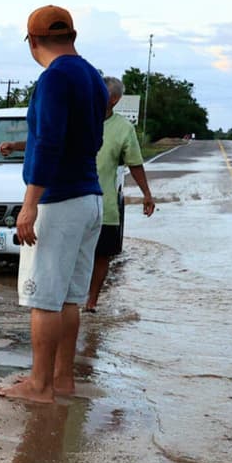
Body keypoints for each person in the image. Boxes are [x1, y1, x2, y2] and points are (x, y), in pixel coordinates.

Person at [0, 5, 106, 404]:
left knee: (43, 298)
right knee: (69, 297)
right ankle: (61, 380)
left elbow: (50, 142)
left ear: (33, 41)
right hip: (90, 197)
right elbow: (87, 139)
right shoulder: (92, 75)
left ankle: (39, 386)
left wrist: (30, 204)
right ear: (72, 37)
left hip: (59, 201)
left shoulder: (54, 77)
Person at [85, 76, 156, 312]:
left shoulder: (124, 128)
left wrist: (147, 194)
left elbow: (135, 163)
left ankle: (91, 302)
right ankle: (69, 299)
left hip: (105, 205)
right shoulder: (78, 119)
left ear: (113, 100)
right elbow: (45, 140)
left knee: (102, 256)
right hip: (74, 201)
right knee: (72, 256)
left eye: (100, 93)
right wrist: (16, 146)